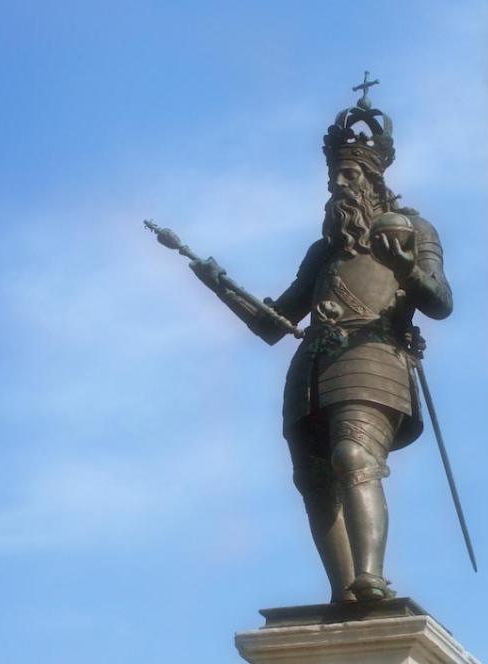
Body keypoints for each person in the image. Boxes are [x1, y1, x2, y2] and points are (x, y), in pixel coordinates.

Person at [191, 84, 452, 603]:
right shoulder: (323, 251)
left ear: (373, 176)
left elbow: (440, 300)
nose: (338, 181)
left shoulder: (412, 229)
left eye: (349, 173)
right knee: (314, 483)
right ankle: (344, 593)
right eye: (334, 174)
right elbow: (275, 323)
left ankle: (370, 576)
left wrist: (404, 267)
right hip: (310, 370)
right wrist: (218, 285)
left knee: (353, 456)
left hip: (373, 358)